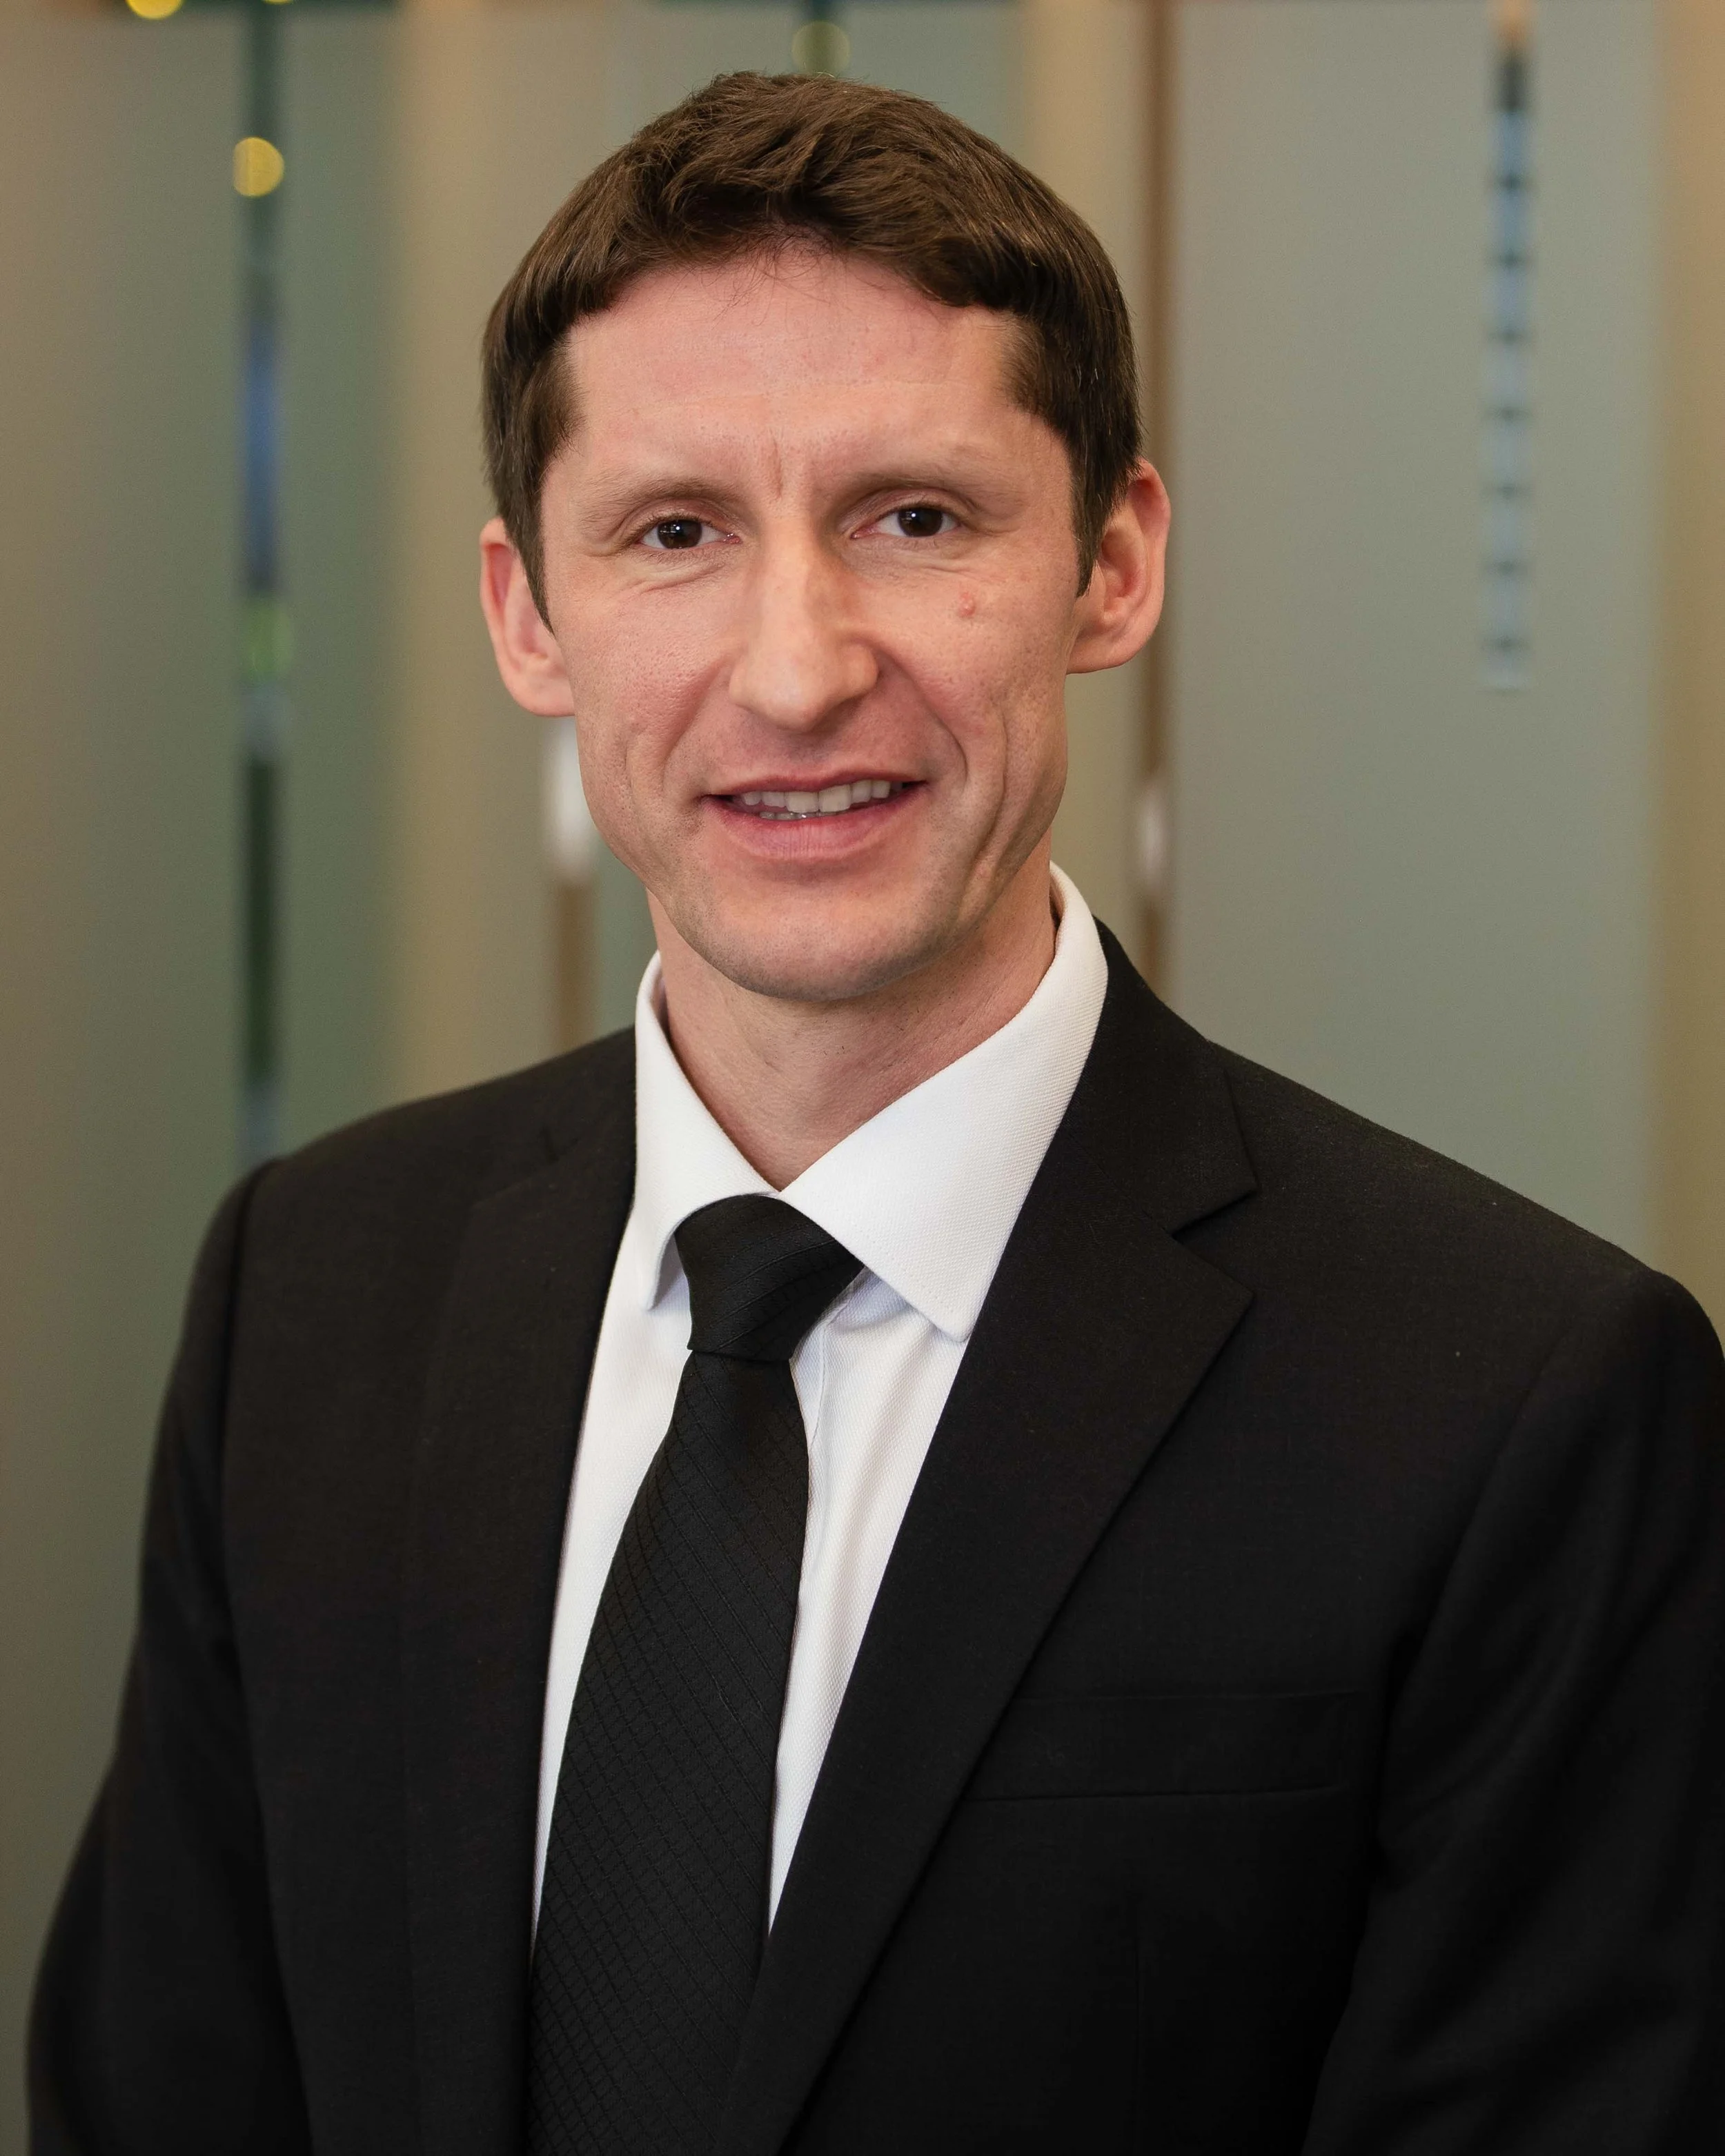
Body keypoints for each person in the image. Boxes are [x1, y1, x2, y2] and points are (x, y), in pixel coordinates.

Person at [30, 70, 1725, 2156]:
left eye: (913, 519)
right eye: (674, 534)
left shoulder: (1513, 1398)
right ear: (523, 615)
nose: (798, 668)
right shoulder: (314, 1286)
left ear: (1110, 564)